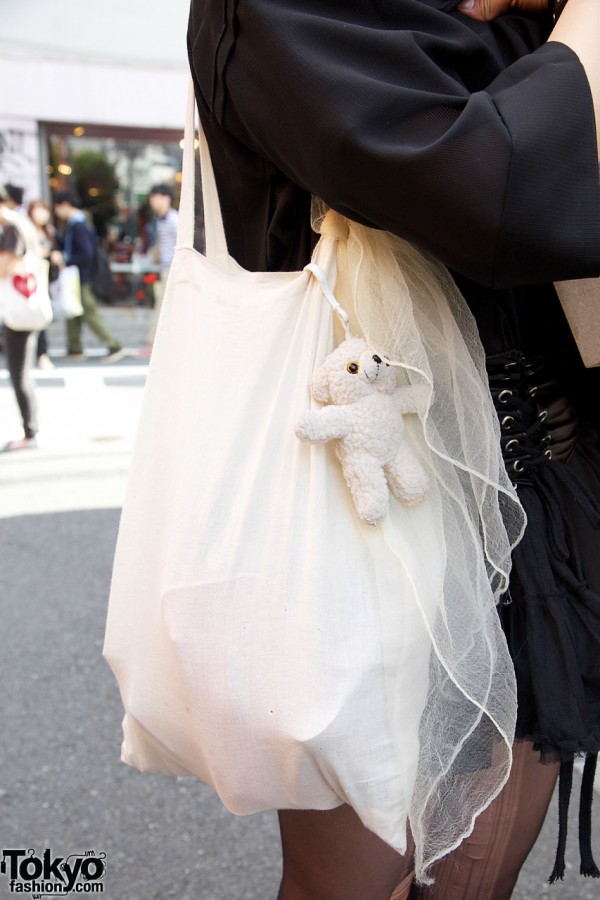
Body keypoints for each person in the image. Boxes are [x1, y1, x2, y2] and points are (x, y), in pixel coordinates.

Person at [185, 2, 600, 898]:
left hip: (545, 495)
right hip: (369, 519)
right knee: (356, 883)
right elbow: (494, 189)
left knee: (480, 879)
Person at [52, 191, 125, 364]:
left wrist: (66, 260)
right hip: (77, 276)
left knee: (88, 312)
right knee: (73, 311)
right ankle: (74, 348)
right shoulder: (76, 223)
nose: (56, 211)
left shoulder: (78, 224)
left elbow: (86, 253)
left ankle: (114, 345)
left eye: (57, 207)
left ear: (65, 204)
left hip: (82, 276)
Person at [0, 221, 39, 451]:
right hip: (25, 312)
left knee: (19, 373)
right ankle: (30, 430)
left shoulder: (13, 228)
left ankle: (30, 432)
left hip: (18, 315)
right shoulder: (23, 226)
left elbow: (6, 264)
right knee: (21, 373)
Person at [138, 184, 179, 358]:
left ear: (166, 198)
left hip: (172, 269)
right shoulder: (161, 219)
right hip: (166, 268)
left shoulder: (173, 219)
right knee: (165, 307)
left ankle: (153, 344)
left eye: (155, 197)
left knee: (161, 307)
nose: (152, 202)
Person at [28, 199, 57, 370]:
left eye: (43, 210)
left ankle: (42, 354)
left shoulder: (49, 232)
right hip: (29, 281)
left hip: (44, 280)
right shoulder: (26, 230)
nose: (41, 214)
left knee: (42, 317)